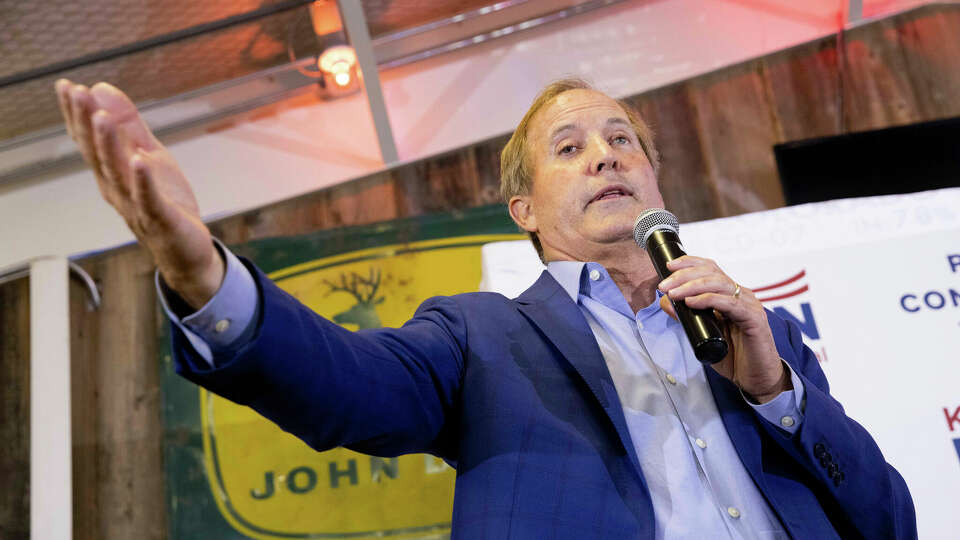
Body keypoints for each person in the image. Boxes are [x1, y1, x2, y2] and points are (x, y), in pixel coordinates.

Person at [55, 77, 916, 539]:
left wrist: (775, 393)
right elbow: (344, 384)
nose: (605, 158)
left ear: (656, 182)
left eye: (624, 142)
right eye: (570, 148)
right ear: (526, 212)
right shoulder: (482, 336)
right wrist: (201, 272)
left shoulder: (759, 334)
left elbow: (887, 522)